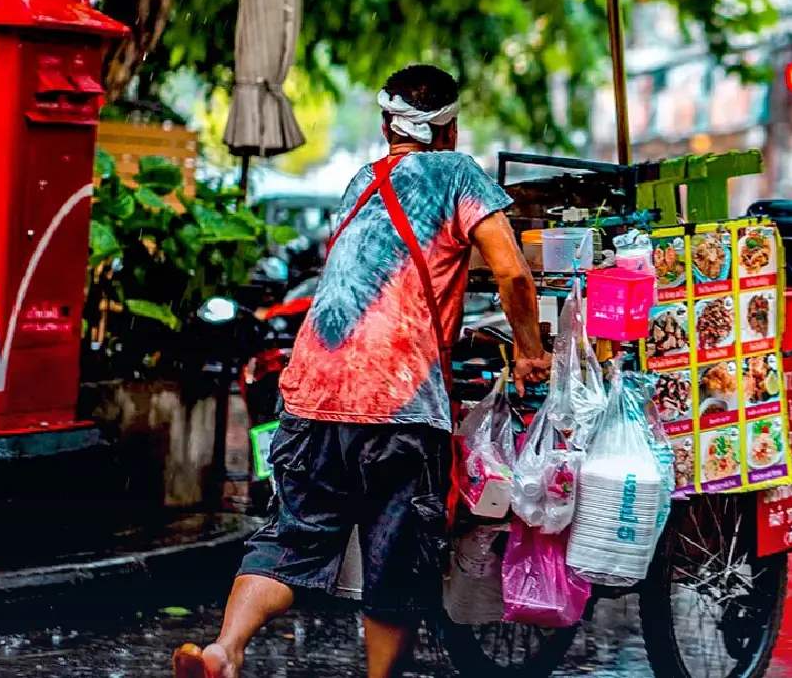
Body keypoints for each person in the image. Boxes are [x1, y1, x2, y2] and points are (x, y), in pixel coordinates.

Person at [173, 65, 549, 678]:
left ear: (384, 125)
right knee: (394, 565)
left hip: (310, 394)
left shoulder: (360, 183)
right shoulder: (457, 173)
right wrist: (531, 350)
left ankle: (224, 649)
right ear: (449, 128)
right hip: (398, 403)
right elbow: (510, 271)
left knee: (289, 539)